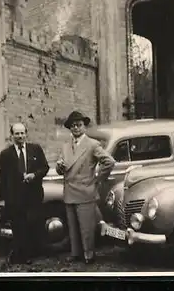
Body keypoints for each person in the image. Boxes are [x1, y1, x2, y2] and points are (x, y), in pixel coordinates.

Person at [56, 111, 115, 264]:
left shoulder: (92, 144)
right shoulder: (66, 145)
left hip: (85, 190)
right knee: (73, 227)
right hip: (69, 190)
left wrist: (97, 179)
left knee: (86, 227)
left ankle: (89, 255)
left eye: (79, 125)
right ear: (70, 128)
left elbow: (109, 161)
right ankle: (76, 254)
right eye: (73, 126)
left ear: (84, 126)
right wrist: (59, 167)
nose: (76, 128)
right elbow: (62, 167)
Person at [0, 122, 50, 264]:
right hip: (15, 197)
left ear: (26, 134)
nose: (20, 136)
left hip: (33, 195)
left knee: (32, 223)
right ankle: (21, 255)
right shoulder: (6, 154)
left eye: (22, 133)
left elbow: (45, 168)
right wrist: (2, 199)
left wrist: (34, 175)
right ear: (12, 136)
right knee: (18, 226)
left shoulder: (35, 149)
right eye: (17, 133)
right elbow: (2, 178)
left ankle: (32, 253)